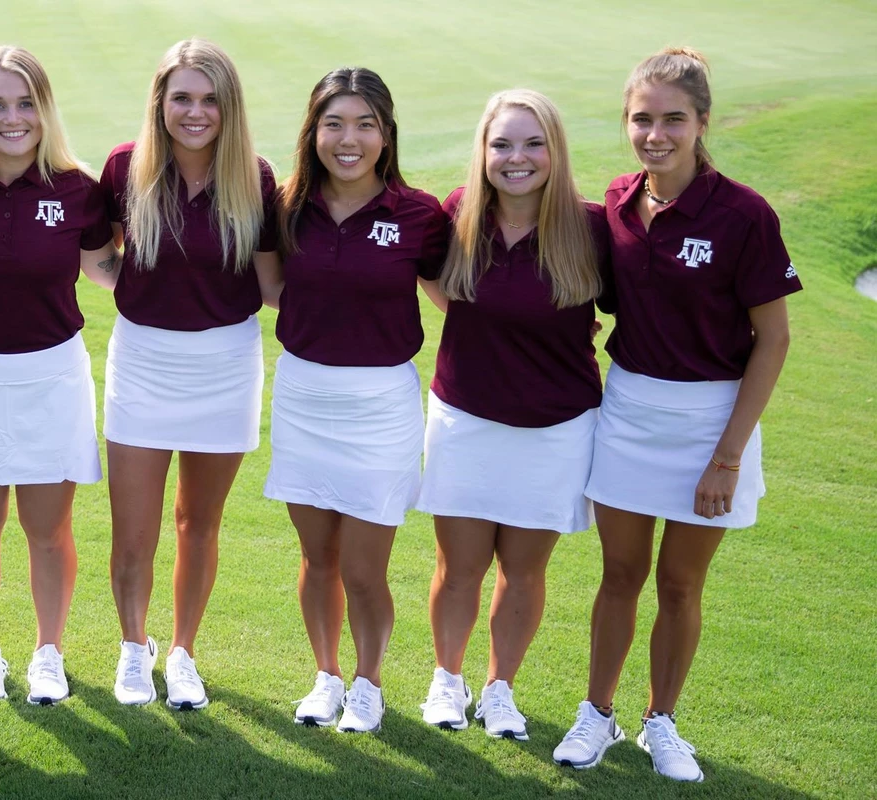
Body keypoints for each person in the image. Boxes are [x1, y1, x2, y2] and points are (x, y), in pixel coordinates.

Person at [552, 47, 800, 782]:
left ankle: (661, 720)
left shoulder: (744, 214)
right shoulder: (618, 201)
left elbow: (774, 338)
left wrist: (728, 456)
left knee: (680, 585)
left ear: (702, 123)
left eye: (673, 120)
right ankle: (597, 713)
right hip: (629, 411)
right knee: (619, 574)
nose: (655, 135)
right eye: (642, 119)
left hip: (712, 424)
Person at [0, 46, 117, 705]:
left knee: (48, 530)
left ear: (45, 109)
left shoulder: (77, 188)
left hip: (52, 377)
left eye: (26, 103)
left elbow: (107, 270)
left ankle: (47, 652)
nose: (13, 118)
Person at [415, 89, 609, 740]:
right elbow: (434, 279)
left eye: (532, 143)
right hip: (466, 417)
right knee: (459, 567)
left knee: (523, 571)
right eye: (501, 144)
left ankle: (500, 690)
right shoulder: (459, 214)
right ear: (483, 151)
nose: (515, 157)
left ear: (555, 150)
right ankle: (448, 680)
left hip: (557, 429)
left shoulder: (590, 228)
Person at [266, 67, 448, 734]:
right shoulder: (286, 207)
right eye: (334, 124)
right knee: (318, 559)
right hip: (304, 396)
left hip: (380, 405)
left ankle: (368, 684)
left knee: (365, 570)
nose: (350, 139)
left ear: (386, 134)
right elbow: (270, 287)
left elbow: (457, 299)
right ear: (312, 132)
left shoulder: (419, 214)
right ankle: (327, 676)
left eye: (365, 125)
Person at [99, 38, 278, 710]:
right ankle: (132, 648)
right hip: (143, 360)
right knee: (133, 531)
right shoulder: (126, 166)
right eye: (182, 98)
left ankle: (182, 653)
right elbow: (98, 251)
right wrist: (137, 287)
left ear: (229, 106)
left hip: (225, 364)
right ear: (160, 102)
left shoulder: (254, 178)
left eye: (209, 99)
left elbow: (270, 283)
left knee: (198, 523)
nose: (195, 112)